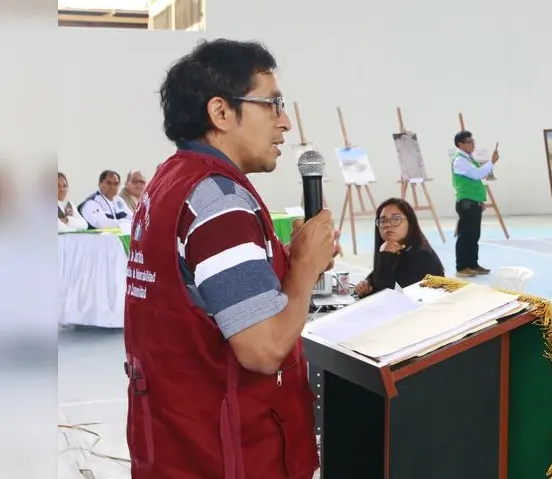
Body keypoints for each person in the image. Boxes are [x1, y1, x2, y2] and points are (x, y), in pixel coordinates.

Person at [123, 39, 339, 478]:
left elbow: (207, 297)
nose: (284, 123)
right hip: (229, 455)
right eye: (273, 103)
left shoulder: (171, 181)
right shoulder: (219, 201)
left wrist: (288, 260)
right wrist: (302, 270)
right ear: (222, 113)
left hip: (176, 444)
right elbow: (263, 349)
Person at [356, 198, 445, 297]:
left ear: (410, 223)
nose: (388, 225)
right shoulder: (397, 249)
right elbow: (377, 276)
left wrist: (384, 255)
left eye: (396, 219)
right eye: (383, 220)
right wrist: (367, 282)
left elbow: (385, 297)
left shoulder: (421, 256)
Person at [451, 130, 498, 277]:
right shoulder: (460, 160)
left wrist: (480, 200)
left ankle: (472, 264)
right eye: (470, 141)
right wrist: (492, 162)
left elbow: (478, 179)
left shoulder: (469, 159)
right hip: (466, 202)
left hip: (473, 202)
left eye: (473, 141)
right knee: (466, 235)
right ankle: (462, 267)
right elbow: (476, 174)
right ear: (461, 144)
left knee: (473, 235)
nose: (473, 144)